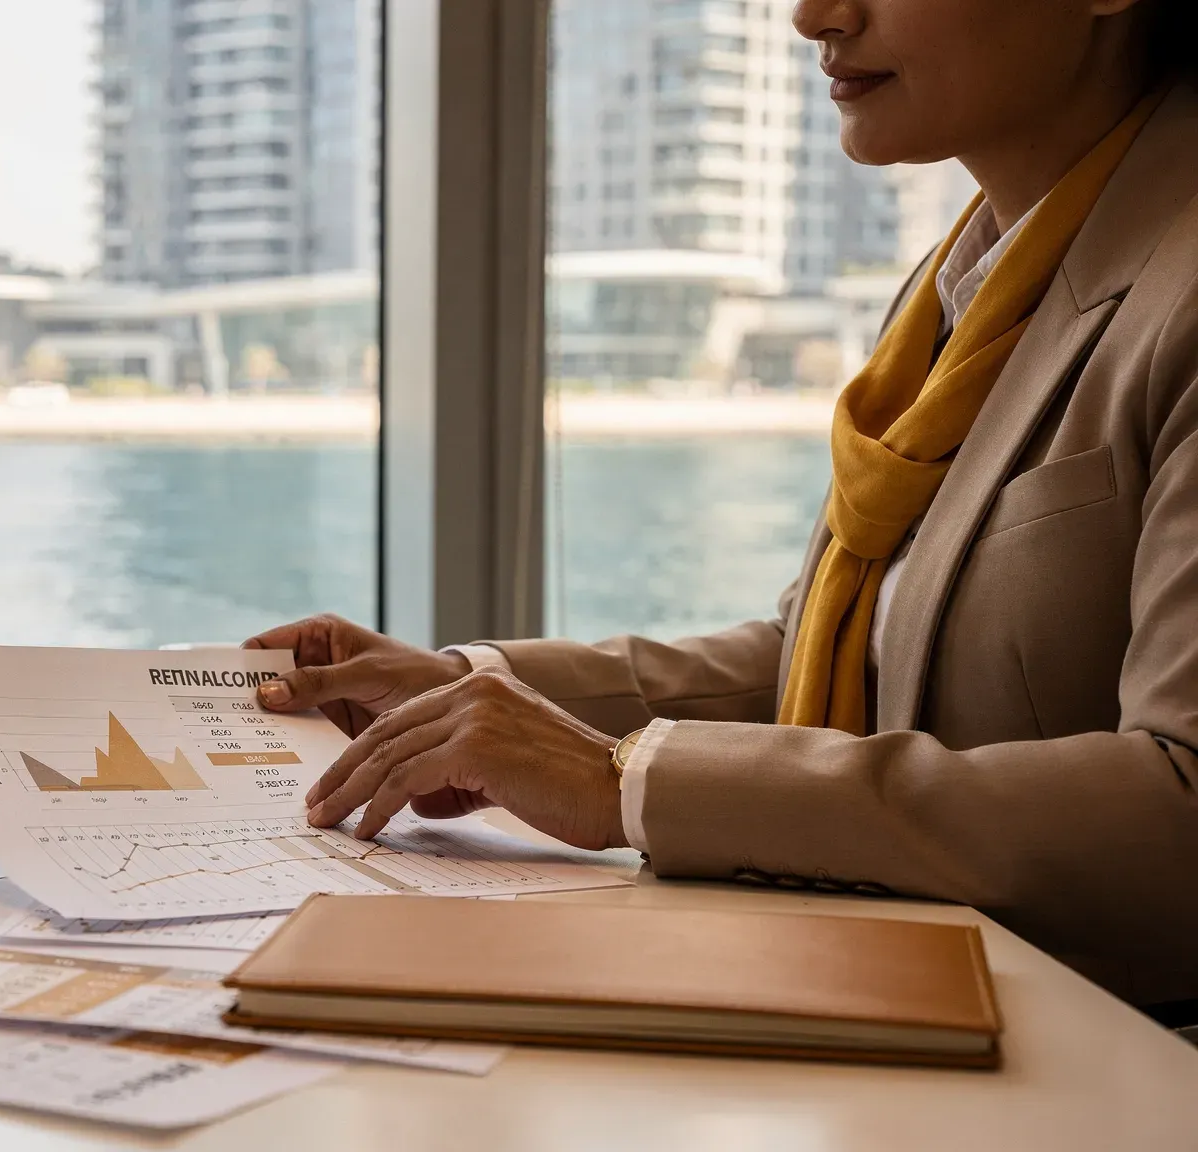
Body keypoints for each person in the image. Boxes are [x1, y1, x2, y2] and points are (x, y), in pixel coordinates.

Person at [249, 0, 1198, 1022]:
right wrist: (469, 690)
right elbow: (831, 662)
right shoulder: (955, 290)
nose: (811, 17)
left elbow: (1178, 817)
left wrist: (626, 782)